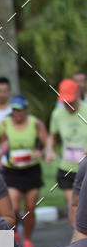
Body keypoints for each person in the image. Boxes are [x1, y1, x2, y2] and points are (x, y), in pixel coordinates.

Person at [1, 95, 49, 247]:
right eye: (14, 110)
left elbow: (46, 140)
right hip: (12, 171)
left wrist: (42, 151)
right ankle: (15, 232)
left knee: (29, 207)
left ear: (25, 110)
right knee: (13, 207)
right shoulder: (5, 123)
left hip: (31, 170)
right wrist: (0, 154)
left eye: (20, 110)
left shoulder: (35, 123)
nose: (17, 113)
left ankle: (28, 240)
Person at [46, 79, 87, 227]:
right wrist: (49, 150)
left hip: (85, 167)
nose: (67, 105)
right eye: (65, 101)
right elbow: (52, 136)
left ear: (77, 94)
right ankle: (78, 240)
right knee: (74, 205)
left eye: (70, 100)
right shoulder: (57, 114)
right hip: (67, 167)